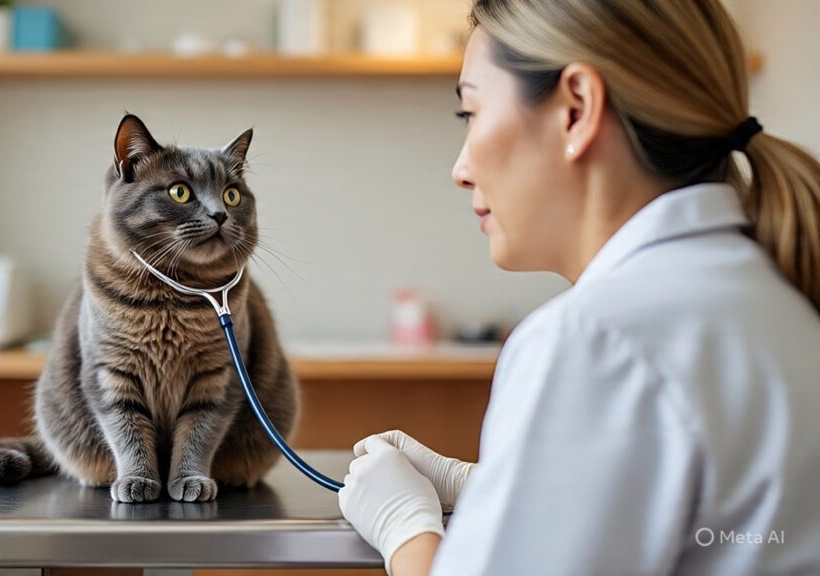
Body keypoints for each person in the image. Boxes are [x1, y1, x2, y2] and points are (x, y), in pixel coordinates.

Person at [338, 0, 820, 574]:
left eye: (470, 113)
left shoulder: (592, 341)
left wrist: (406, 532)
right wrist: (494, 487)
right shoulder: (778, 298)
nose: (461, 168)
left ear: (576, 109)